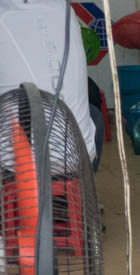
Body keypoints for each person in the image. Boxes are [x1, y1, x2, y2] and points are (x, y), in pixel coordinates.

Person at [0, 0, 97, 166]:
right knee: (95, 117)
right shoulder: (66, 11)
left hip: (17, 167)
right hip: (80, 160)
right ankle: (82, 186)